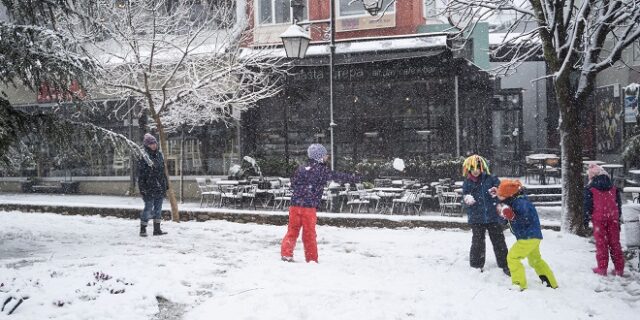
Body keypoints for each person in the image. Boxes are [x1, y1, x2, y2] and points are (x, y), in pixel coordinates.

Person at [280, 143, 360, 263]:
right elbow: (337, 176)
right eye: (325, 155)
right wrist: (355, 178)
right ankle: (311, 258)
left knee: (292, 231)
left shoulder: (301, 168)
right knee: (309, 234)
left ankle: (286, 254)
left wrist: (302, 190)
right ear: (319, 157)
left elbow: (293, 183)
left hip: (295, 205)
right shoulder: (321, 170)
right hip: (309, 207)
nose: (327, 157)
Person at [497, 179, 558, 291]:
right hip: (532, 236)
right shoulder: (512, 202)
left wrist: (512, 217)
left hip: (527, 237)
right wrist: (502, 216)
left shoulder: (521, 203)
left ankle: (519, 284)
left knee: (512, 257)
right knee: (535, 260)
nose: (499, 198)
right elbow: (506, 221)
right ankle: (551, 283)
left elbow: (525, 220)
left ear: (509, 195)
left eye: (501, 195)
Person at [461, 155, 509, 275]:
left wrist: (497, 191)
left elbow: (501, 191)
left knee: (499, 241)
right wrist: (467, 200)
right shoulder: (467, 182)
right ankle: (476, 265)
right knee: (478, 242)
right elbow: (465, 198)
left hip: (493, 216)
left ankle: (505, 264)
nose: (475, 170)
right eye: (473, 168)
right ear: (469, 169)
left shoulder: (491, 179)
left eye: (478, 167)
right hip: (476, 217)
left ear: (482, 168)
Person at [584, 164, 624, 276]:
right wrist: (618, 216)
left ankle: (602, 268)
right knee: (615, 243)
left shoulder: (590, 189)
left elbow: (588, 206)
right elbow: (618, 204)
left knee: (601, 244)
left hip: (598, 219)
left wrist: (586, 219)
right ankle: (619, 269)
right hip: (613, 218)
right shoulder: (614, 188)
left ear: (591, 177)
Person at [137, 133, 168, 237]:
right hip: (148, 187)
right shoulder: (144, 156)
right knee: (148, 209)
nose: (154, 145)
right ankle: (143, 229)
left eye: (154, 143)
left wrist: (165, 185)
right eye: (151, 144)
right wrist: (142, 188)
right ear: (147, 145)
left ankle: (157, 229)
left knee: (158, 209)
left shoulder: (159, 155)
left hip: (159, 187)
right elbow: (140, 174)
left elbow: (163, 171)